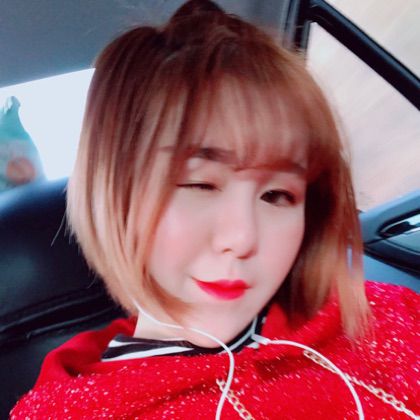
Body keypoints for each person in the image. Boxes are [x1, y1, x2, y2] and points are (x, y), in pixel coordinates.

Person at [11, 1, 418, 419]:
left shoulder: (384, 315)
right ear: (114, 192)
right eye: (199, 184)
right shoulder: (68, 412)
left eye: (277, 195)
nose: (242, 239)